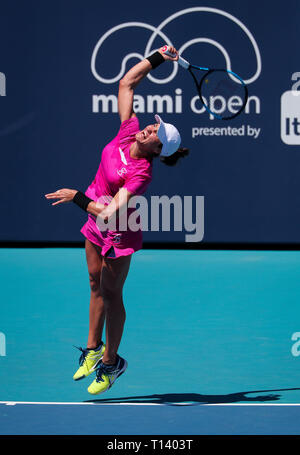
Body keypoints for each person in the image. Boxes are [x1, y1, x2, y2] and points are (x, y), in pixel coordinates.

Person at [45, 46, 189, 395]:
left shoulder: (141, 173)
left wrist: (76, 196)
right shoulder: (129, 130)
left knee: (112, 294)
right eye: (155, 124)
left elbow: (110, 212)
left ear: (158, 150)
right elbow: (127, 83)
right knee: (94, 283)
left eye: (157, 133)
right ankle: (92, 351)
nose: (152, 127)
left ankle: (112, 362)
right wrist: (158, 56)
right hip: (94, 220)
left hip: (119, 229)